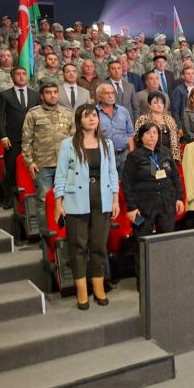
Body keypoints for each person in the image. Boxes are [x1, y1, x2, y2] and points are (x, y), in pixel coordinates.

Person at [53, 105, 120, 309]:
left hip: (102, 199)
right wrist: (58, 203)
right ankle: (81, 290)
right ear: (79, 120)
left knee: (99, 245)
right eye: (87, 116)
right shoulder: (68, 144)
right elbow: (60, 176)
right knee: (78, 247)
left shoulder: (107, 144)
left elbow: (113, 173)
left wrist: (115, 199)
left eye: (94, 115)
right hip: (76, 201)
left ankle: (98, 287)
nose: (92, 119)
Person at [122, 123, 184, 277]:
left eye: (155, 133)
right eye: (148, 133)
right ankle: (144, 281)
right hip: (143, 207)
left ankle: (166, 277)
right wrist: (131, 207)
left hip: (166, 203)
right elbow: (127, 184)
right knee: (142, 244)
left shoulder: (165, 152)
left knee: (167, 242)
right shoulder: (134, 157)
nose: (152, 136)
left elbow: (175, 177)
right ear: (141, 137)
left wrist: (179, 198)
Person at [21, 81, 75, 222]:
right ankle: (46, 233)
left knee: (67, 199)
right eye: (48, 93)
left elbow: (75, 139)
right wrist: (29, 162)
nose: (53, 95)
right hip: (43, 165)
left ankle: (65, 232)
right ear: (42, 96)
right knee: (44, 199)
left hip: (65, 165)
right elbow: (26, 140)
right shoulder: (33, 114)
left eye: (55, 92)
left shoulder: (68, 113)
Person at [0, 68, 40, 209]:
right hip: (13, 139)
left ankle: (33, 199)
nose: (21, 77)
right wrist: (3, 136)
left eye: (23, 74)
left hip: (33, 139)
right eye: (18, 74)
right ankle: (8, 199)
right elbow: (0, 117)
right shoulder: (5, 95)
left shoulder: (35, 95)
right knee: (11, 170)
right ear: (12, 77)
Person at [95, 83, 135, 175]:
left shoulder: (123, 111)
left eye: (112, 93)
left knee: (124, 182)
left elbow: (130, 134)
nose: (110, 96)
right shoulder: (94, 113)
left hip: (124, 155)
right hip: (103, 156)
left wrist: (131, 154)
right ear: (99, 97)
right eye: (107, 93)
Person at [134, 91, 180, 162]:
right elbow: (138, 138)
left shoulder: (170, 119)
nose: (159, 105)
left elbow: (176, 139)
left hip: (169, 156)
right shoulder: (143, 119)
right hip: (149, 156)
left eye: (161, 103)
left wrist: (176, 156)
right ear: (149, 105)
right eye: (155, 103)